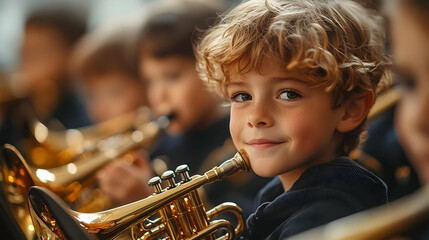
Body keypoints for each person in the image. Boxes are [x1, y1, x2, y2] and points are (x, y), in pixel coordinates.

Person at [196, 0, 390, 238]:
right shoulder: (283, 195)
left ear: (350, 110)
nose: (256, 116)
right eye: (242, 95)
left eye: (289, 94)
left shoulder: (324, 218)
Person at [96, 0, 271, 216]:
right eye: (150, 81)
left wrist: (150, 202)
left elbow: (247, 221)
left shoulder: (249, 142)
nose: (159, 95)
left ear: (215, 69)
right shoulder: (164, 149)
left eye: (173, 76)